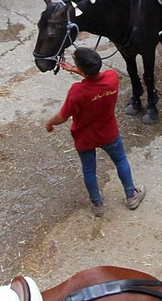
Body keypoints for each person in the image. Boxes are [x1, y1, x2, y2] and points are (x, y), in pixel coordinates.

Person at [45, 46, 144, 216]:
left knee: (89, 169)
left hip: (85, 137)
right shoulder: (112, 78)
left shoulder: (77, 92)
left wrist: (50, 123)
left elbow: (62, 116)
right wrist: (76, 70)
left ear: (82, 69)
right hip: (108, 132)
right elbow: (94, 78)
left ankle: (97, 204)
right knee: (120, 160)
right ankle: (131, 195)